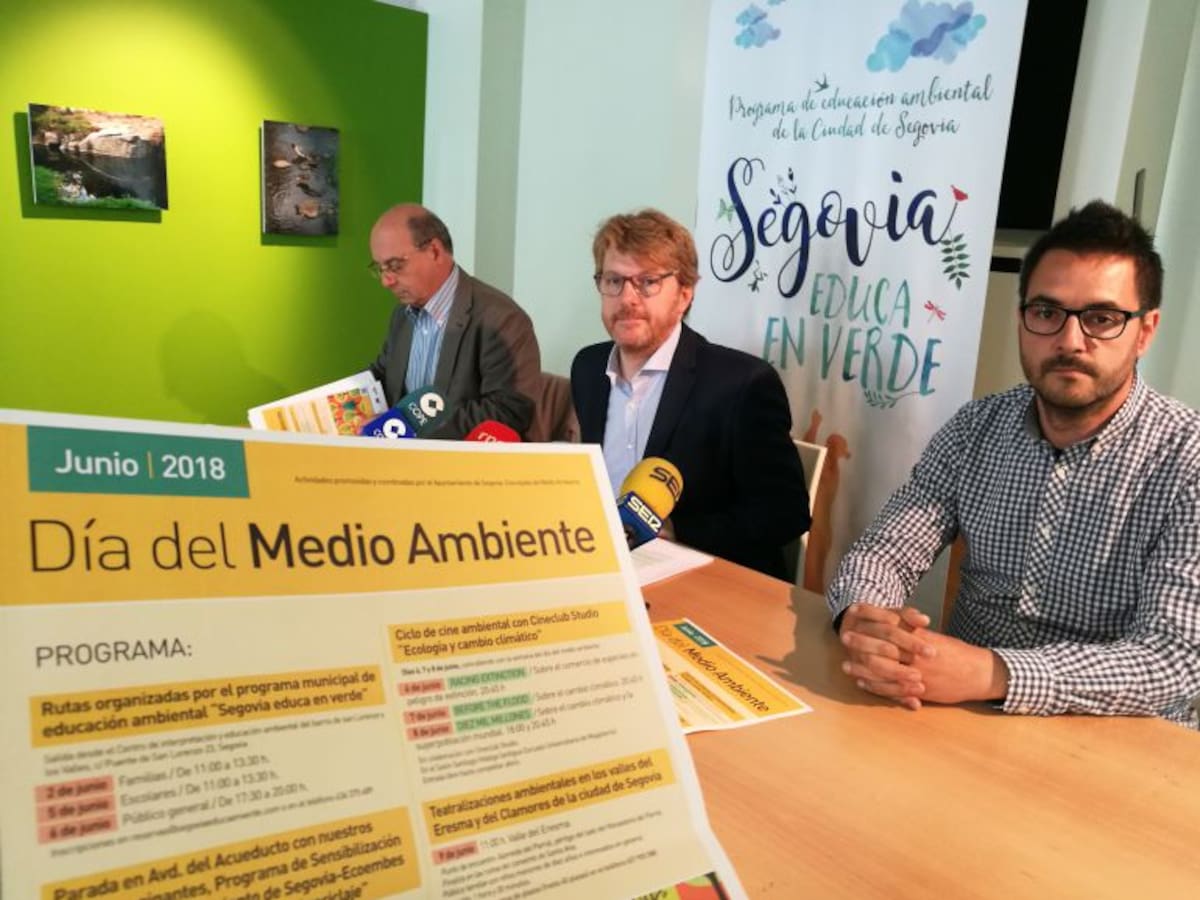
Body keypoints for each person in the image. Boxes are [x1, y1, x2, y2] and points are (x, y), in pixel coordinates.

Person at [827, 200, 1200, 727]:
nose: (1070, 341)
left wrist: (994, 672)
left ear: (1145, 330)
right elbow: (884, 552)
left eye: (1101, 318)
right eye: (1047, 313)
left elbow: (1173, 659)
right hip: (958, 718)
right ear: (1023, 318)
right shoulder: (975, 427)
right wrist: (866, 620)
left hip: (1118, 740)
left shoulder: (1188, 459)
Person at [571, 208, 810, 578]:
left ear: (684, 294)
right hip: (606, 567)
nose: (627, 298)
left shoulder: (743, 384)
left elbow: (786, 514)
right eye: (614, 280)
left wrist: (674, 531)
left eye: (648, 282)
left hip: (705, 580)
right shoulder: (587, 367)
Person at [368, 204, 541, 439]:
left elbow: (508, 411)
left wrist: (411, 425)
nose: (386, 281)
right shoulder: (403, 315)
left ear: (435, 252)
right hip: (401, 453)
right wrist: (329, 405)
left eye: (395, 266)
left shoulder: (501, 319)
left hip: (466, 458)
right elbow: (383, 375)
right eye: (380, 269)